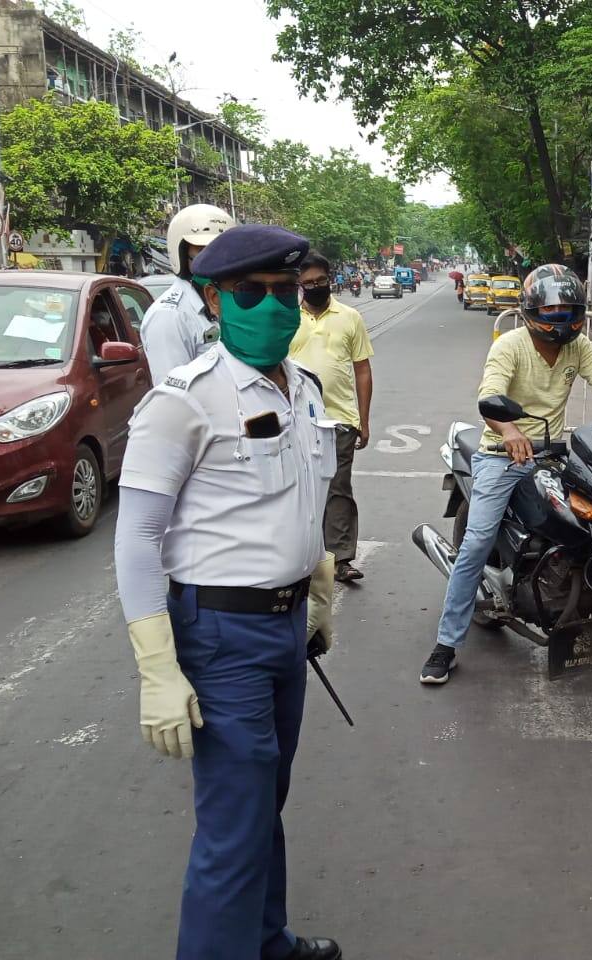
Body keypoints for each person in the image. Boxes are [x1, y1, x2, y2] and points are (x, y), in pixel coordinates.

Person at [114, 224, 343, 960]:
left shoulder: (301, 388)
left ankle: (265, 940)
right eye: (253, 293)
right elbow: (137, 538)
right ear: (214, 299)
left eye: (289, 293)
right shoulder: (182, 402)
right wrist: (156, 666)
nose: (274, 307)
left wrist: (319, 587)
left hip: (284, 629)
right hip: (221, 636)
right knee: (233, 828)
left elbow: (301, 502)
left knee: (263, 803)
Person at [419, 264, 592, 684]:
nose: (561, 319)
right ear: (532, 310)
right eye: (552, 311)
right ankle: (446, 644)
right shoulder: (510, 345)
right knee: (477, 541)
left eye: (570, 310)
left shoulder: (579, 347)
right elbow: (490, 394)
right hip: (501, 453)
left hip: (552, 452)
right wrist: (511, 431)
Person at [290, 251, 374, 583]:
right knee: (297, 488)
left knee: (338, 487)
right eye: (307, 283)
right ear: (298, 285)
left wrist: (363, 420)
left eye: (320, 281)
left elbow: (362, 370)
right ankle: (301, 556)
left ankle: (340, 559)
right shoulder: (287, 317)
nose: (314, 287)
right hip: (296, 418)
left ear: (330, 279)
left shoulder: (350, 316)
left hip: (339, 418)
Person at [140, 204, 234, 381]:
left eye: (221, 250)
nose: (215, 258)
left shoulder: (227, 300)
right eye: (203, 250)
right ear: (182, 254)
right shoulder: (169, 316)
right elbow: (173, 392)